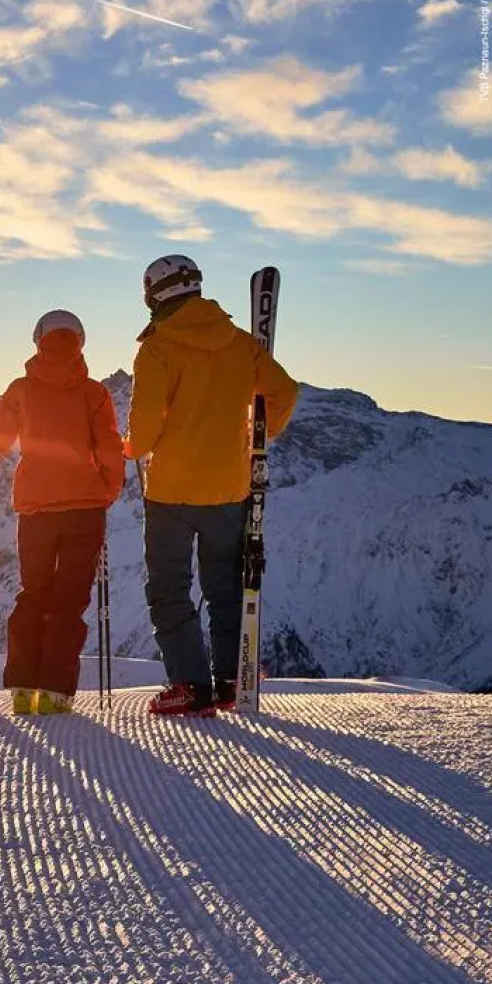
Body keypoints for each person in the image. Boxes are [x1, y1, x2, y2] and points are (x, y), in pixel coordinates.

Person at [125, 254, 299, 716]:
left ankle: (189, 685)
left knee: (169, 587)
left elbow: (144, 431)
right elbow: (285, 392)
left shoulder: (156, 348)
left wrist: (129, 447)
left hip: (170, 492)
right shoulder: (242, 344)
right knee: (225, 586)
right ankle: (230, 680)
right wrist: (257, 437)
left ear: (153, 295)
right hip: (228, 486)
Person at [0, 310, 124, 715]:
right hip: (85, 512)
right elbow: (110, 449)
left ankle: (22, 687)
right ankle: (54, 693)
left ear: (38, 340)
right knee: (69, 601)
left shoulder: (21, 390)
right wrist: (106, 492)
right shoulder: (94, 394)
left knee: (33, 595)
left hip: (36, 512)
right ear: (80, 342)